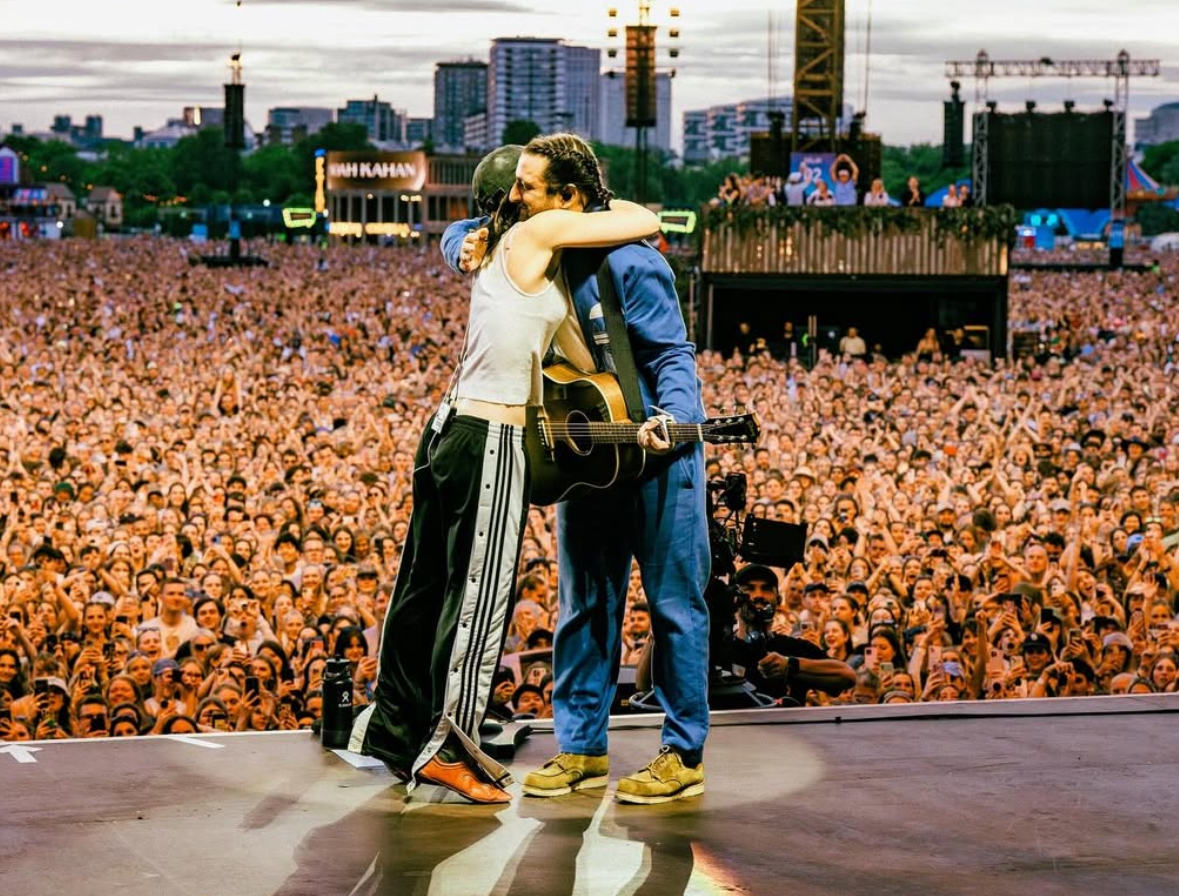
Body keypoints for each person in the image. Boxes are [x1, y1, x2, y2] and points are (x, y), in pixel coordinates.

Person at [349, 139, 661, 805]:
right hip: (490, 436)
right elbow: (645, 218)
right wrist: (589, 202)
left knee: (422, 592)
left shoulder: (500, 252)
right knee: (479, 603)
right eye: (521, 188)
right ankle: (451, 751)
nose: (526, 197)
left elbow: (576, 360)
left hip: (447, 432)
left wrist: (630, 420)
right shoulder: (539, 231)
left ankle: (398, 734)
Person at [445, 133, 712, 805]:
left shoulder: (628, 263)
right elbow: (460, 229)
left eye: (527, 187)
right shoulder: (532, 246)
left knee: (675, 608)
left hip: (655, 454)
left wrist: (675, 420)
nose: (513, 197)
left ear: (567, 198)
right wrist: (461, 244)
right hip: (586, 451)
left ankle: (683, 755)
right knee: (583, 607)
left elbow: (671, 353)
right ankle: (581, 748)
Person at [727, 564, 855, 704]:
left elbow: (846, 676)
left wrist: (790, 666)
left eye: (766, 589)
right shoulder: (717, 649)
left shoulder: (795, 648)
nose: (758, 595)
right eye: (749, 589)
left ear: (778, 599)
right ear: (734, 599)